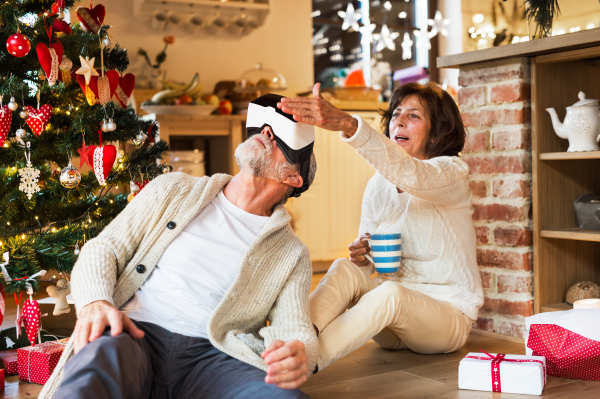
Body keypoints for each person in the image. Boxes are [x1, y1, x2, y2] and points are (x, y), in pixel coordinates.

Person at [40, 95, 319, 399]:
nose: (267, 133)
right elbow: (104, 248)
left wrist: (298, 351)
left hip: (213, 359)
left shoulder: (291, 253)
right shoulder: (173, 189)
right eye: (264, 128)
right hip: (133, 336)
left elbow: (294, 324)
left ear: (293, 177)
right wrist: (95, 301)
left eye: (280, 138)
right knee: (93, 373)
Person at [278, 82, 484, 371]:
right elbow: (368, 271)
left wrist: (347, 123)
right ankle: (290, 339)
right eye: (397, 113)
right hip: (392, 324)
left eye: (414, 116)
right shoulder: (377, 185)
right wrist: (363, 257)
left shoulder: (451, 173)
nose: (399, 120)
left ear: (436, 133)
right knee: (342, 269)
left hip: (446, 319)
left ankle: (297, 363)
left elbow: (412, 174)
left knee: (391, 294)